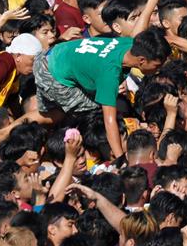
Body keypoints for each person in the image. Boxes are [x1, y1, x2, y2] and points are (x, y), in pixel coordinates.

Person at [34, 28, 171, 159]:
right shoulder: (109, 74)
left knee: (47, 114)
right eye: (157, 66)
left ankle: (19, 125)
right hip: (51, 75)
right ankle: (80, 149)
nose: (158, 70)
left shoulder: (129, 43)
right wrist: (120, 158)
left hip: (52, 54)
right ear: (142, 60)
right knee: (94, 110)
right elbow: (109, 120)